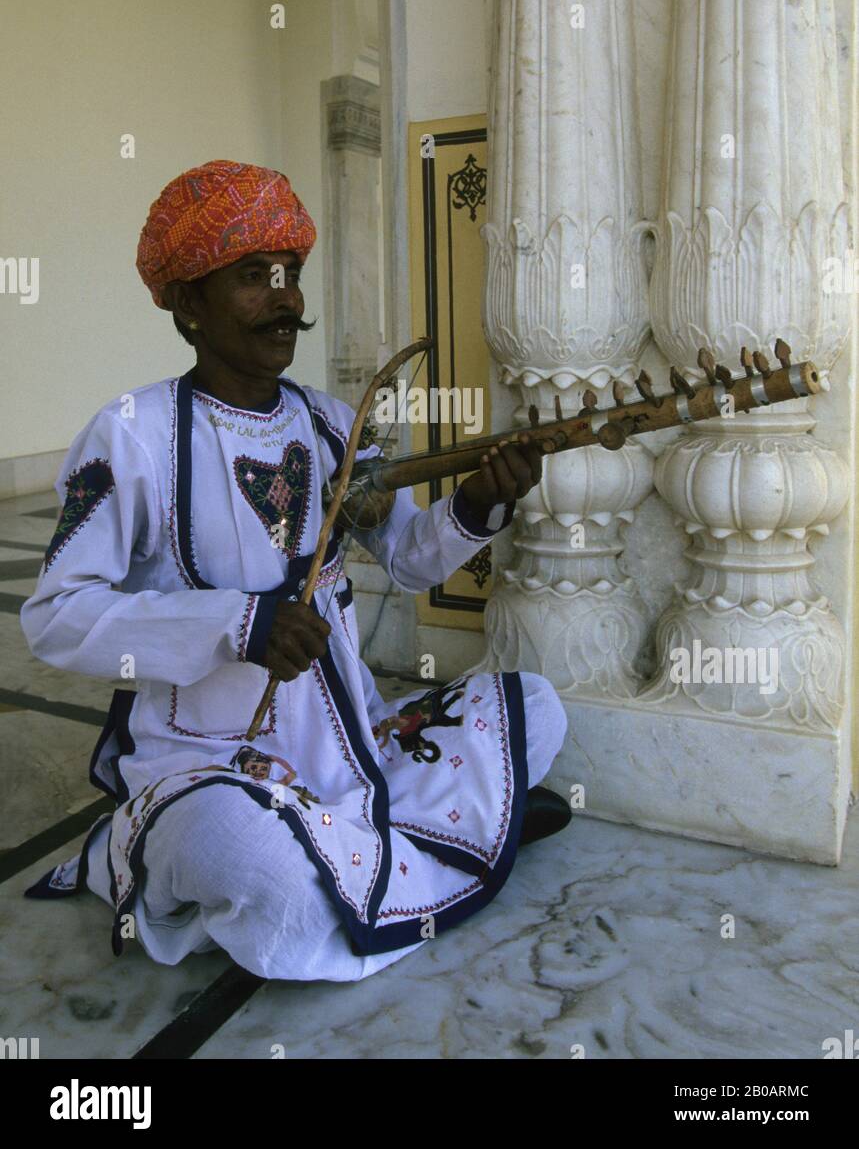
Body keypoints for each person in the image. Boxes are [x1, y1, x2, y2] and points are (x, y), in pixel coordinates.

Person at [21, 159, 569, 982]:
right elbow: (56, 617)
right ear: (188, 305)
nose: (286, 301)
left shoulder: (331, 424)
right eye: (253, 278)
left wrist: (476, 508)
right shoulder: (130, 434)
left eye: (291, 277)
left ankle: (372, 844)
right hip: (206, 761)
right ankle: (415, 841)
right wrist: (238, 625)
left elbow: (411, 560)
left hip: (350, 743)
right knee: (266, 877)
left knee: (534, 704)